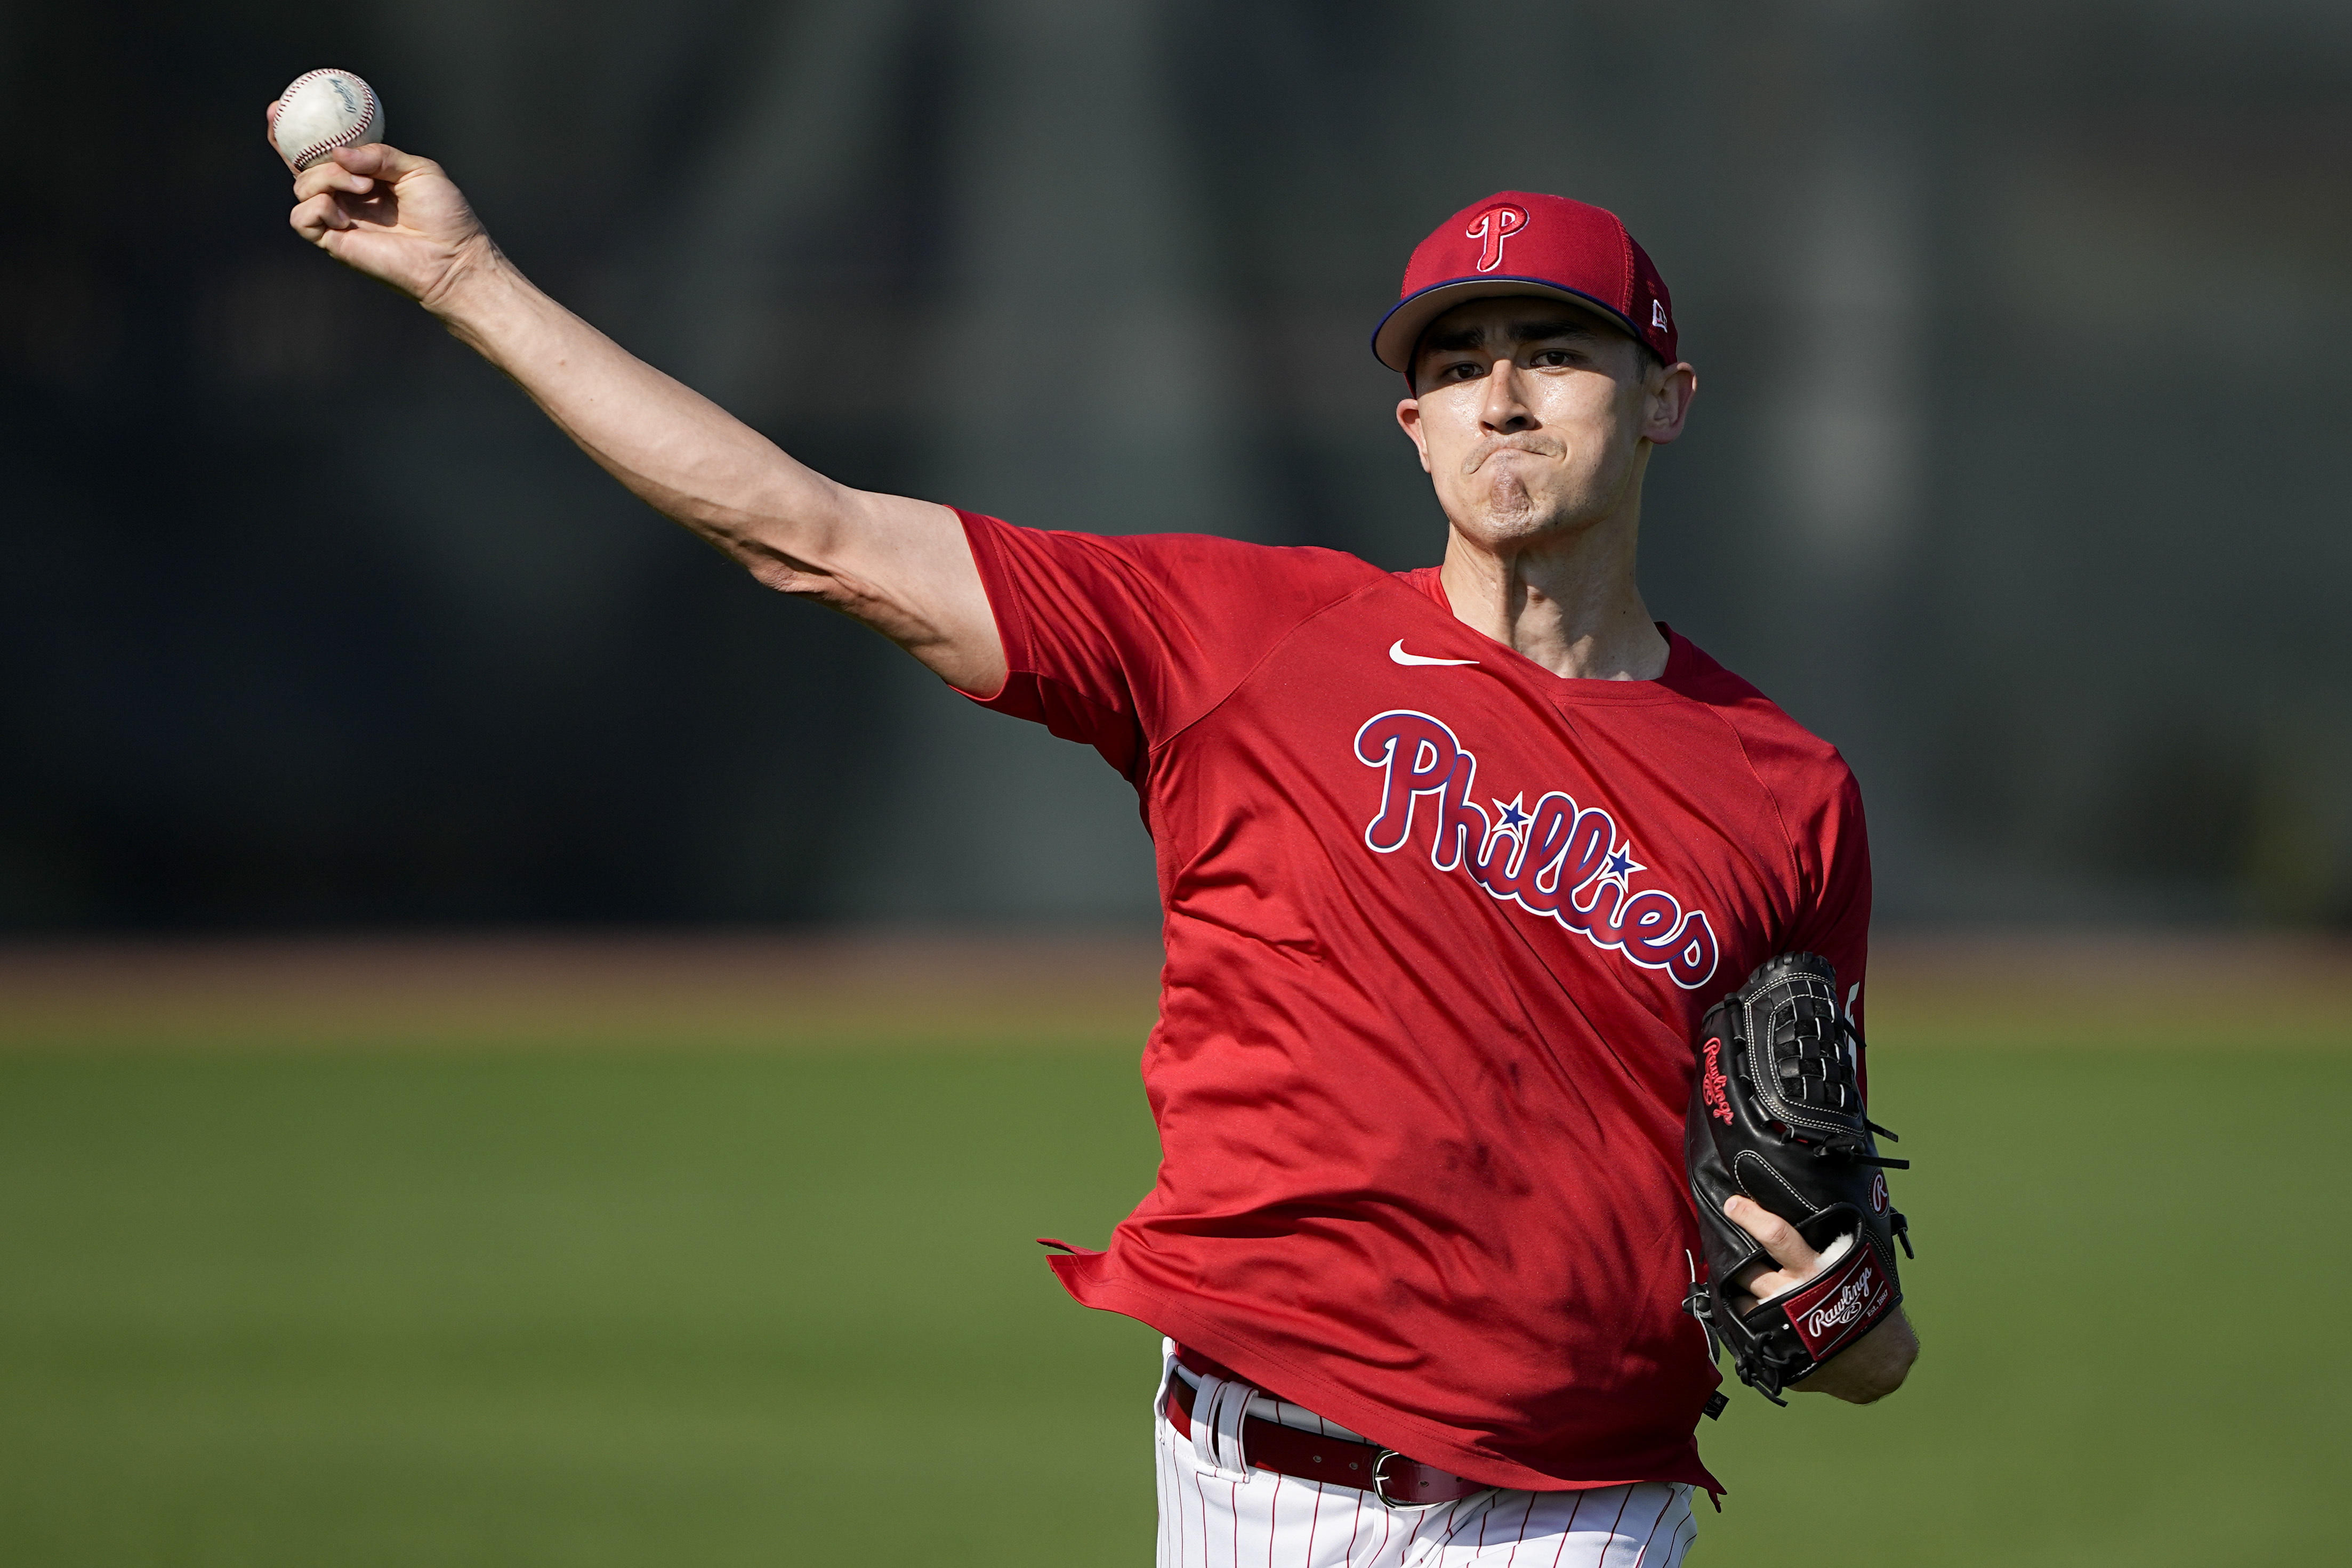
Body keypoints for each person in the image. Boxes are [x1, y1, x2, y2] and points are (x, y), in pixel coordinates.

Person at [276, 111, 1918, 1565]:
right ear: (1408, 425)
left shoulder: (1780, 787)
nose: (1497, 395)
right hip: (1250, 1490)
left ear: (1664, 400)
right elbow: (808, 533)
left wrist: (1853, 1322)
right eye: (1449, 358)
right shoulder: (1242, 640)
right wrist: (468, 278)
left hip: (1582, 1503)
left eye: (1552, 348)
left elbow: (1827, 1263)